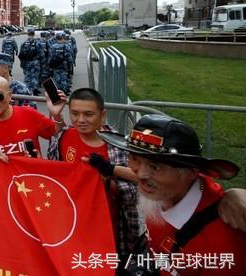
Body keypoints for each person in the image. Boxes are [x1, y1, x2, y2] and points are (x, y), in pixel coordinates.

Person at [99, 115, 245, 274]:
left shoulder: (221, 245)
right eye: (134, 158)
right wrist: (109, 169)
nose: (140, 174)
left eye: (155, 166)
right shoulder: (163, 190)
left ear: (191, 171)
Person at [46, 88, 141, 263]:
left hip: (106, 226)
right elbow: (53, 172)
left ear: (102, 115)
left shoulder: (119, 146)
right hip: (69, 223)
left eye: (88, 114)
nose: (80, 120)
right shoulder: (64, 136)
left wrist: (106, 182)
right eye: (74, 113)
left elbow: (136, 190)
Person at [0, 75, 66, 158]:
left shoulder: (28, 113)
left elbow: (58, 132)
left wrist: (57, 115)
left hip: (30, 171)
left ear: (9, 96)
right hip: (2, 173)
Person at [18, 29, 42, 95]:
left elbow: (21, 54)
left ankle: (27, 90)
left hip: (26, 63)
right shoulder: (37, 43)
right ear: (34, 34)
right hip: (35, 62)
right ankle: (34, 89)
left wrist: (22, 62)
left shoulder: (24, 43)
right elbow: (41, 54)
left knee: (27, 77)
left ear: (27, 34)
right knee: (35, 76)